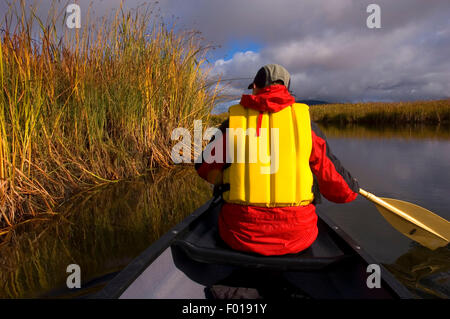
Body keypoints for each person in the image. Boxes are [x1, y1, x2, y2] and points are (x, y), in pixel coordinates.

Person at [195, 64, 359, 256]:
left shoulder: (232, 123)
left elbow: (203, 169)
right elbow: (341, 192)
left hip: (239, 235)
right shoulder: (307, 126)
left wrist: (231, 179)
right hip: (298, 238)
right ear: (287, 89)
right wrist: (353, 186)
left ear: (255, 86)